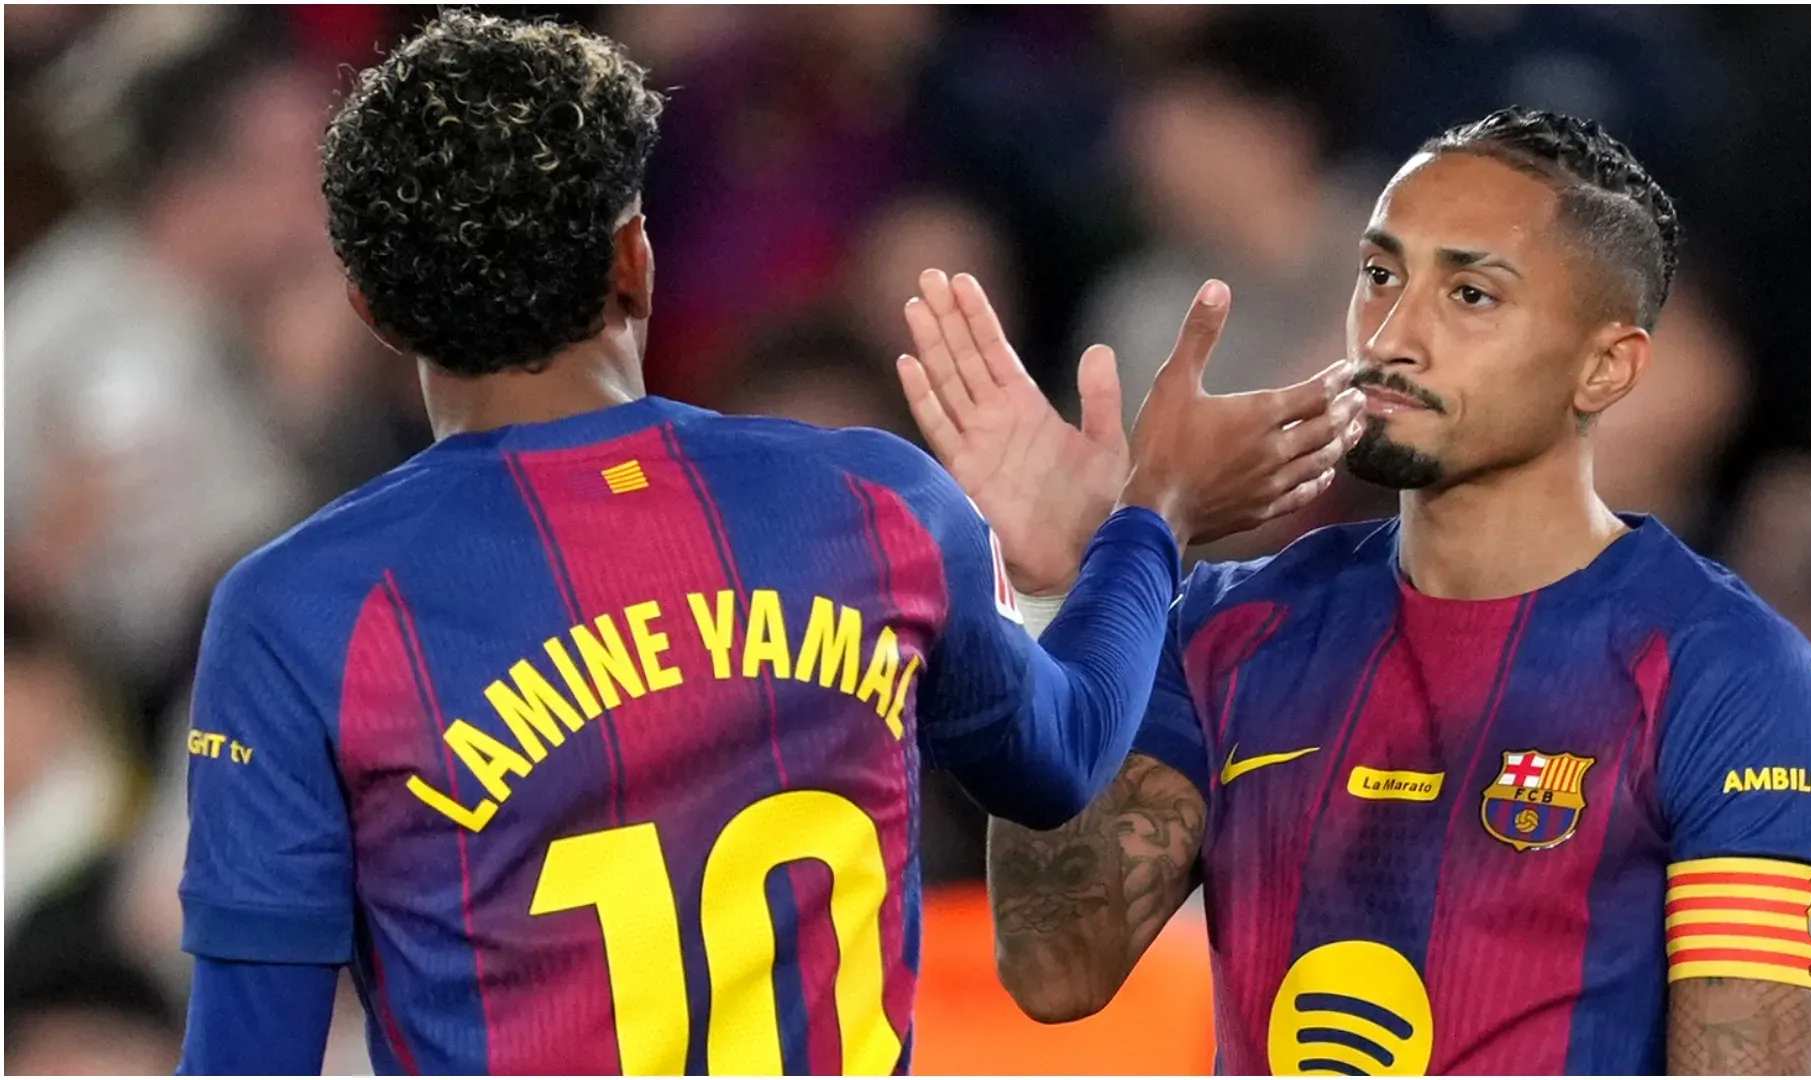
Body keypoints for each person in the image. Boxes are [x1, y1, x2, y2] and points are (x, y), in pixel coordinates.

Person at [174, 13, 1360, 1074]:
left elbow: (250, 1058)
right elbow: (1064, 761)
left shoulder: (301, 613)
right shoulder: (875, 504)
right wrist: (1147, 525)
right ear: (635, 260)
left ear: (373, 310)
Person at [905, 107, 1811, 1074]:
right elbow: (1055, 968)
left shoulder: (1728, 675)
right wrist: (1066, 587)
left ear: (1604, 367)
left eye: (1472, 294)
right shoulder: (1230, 629)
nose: (1394, 334)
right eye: (1379, 275)